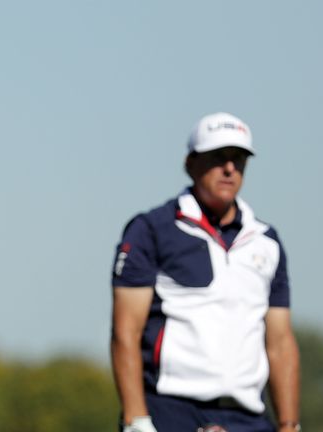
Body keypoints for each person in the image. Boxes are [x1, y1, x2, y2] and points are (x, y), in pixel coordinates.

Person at [110, 113, 301, 432]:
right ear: (190, 163)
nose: (229, 168)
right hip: (169, 411)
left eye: (238, 159)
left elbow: (280, 342)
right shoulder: (151, 230)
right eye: (218, 157)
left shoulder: (266, 241)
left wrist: (289, 424)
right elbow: (125, 331)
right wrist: (136, 419)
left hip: (248, 417)